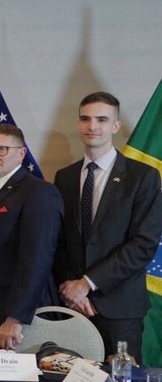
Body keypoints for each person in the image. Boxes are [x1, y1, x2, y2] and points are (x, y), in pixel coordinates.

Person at [54, 92, 162, 358]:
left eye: (102, 120)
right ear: (78, 123)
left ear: (116, 126)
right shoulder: (65, 177)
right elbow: (59, 241)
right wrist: (72, 288)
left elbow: (143, 244)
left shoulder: (142, 177)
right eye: (85, 119)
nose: (92, 126)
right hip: (73, 306)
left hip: (120, 309)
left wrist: (88, 284)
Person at [0, 124, 63, 350]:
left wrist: (15, 317)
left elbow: (36, 260)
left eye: (2, 149)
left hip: (12, 321)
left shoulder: (38, 192)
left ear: (21, 153)